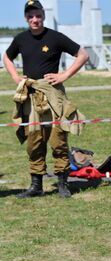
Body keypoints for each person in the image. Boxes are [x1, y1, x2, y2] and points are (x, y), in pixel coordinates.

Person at [3, 0, 89, 198]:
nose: (35, 19)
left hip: (53, 96)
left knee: (58, 139)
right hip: (31, 97)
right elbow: (7, 57)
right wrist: (16, 77)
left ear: (43, 15)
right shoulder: (21, 39)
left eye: (38, 15)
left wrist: (64, 75)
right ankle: (36, 186)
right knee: (34, 140)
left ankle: (62, 184)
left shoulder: (55, 37)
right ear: (26, 18)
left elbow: (82, 55)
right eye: (31, 16)